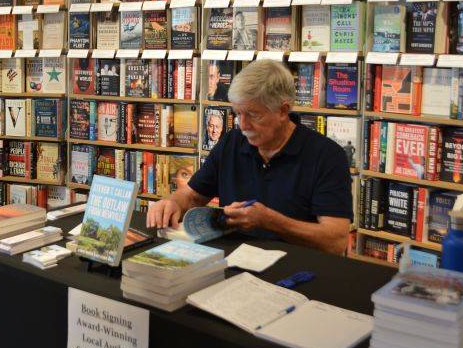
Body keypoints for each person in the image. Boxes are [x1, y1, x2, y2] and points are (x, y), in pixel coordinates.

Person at [147, 60, 352, 254]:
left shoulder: (326, 155)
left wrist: (270, 221)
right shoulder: (232, 142)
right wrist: (173, 202)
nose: (243, 125)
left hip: (296, 270)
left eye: (253, 115)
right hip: (232, 263)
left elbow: (335, 241)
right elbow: (192, 196)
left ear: (283, 111)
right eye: (237, 113)